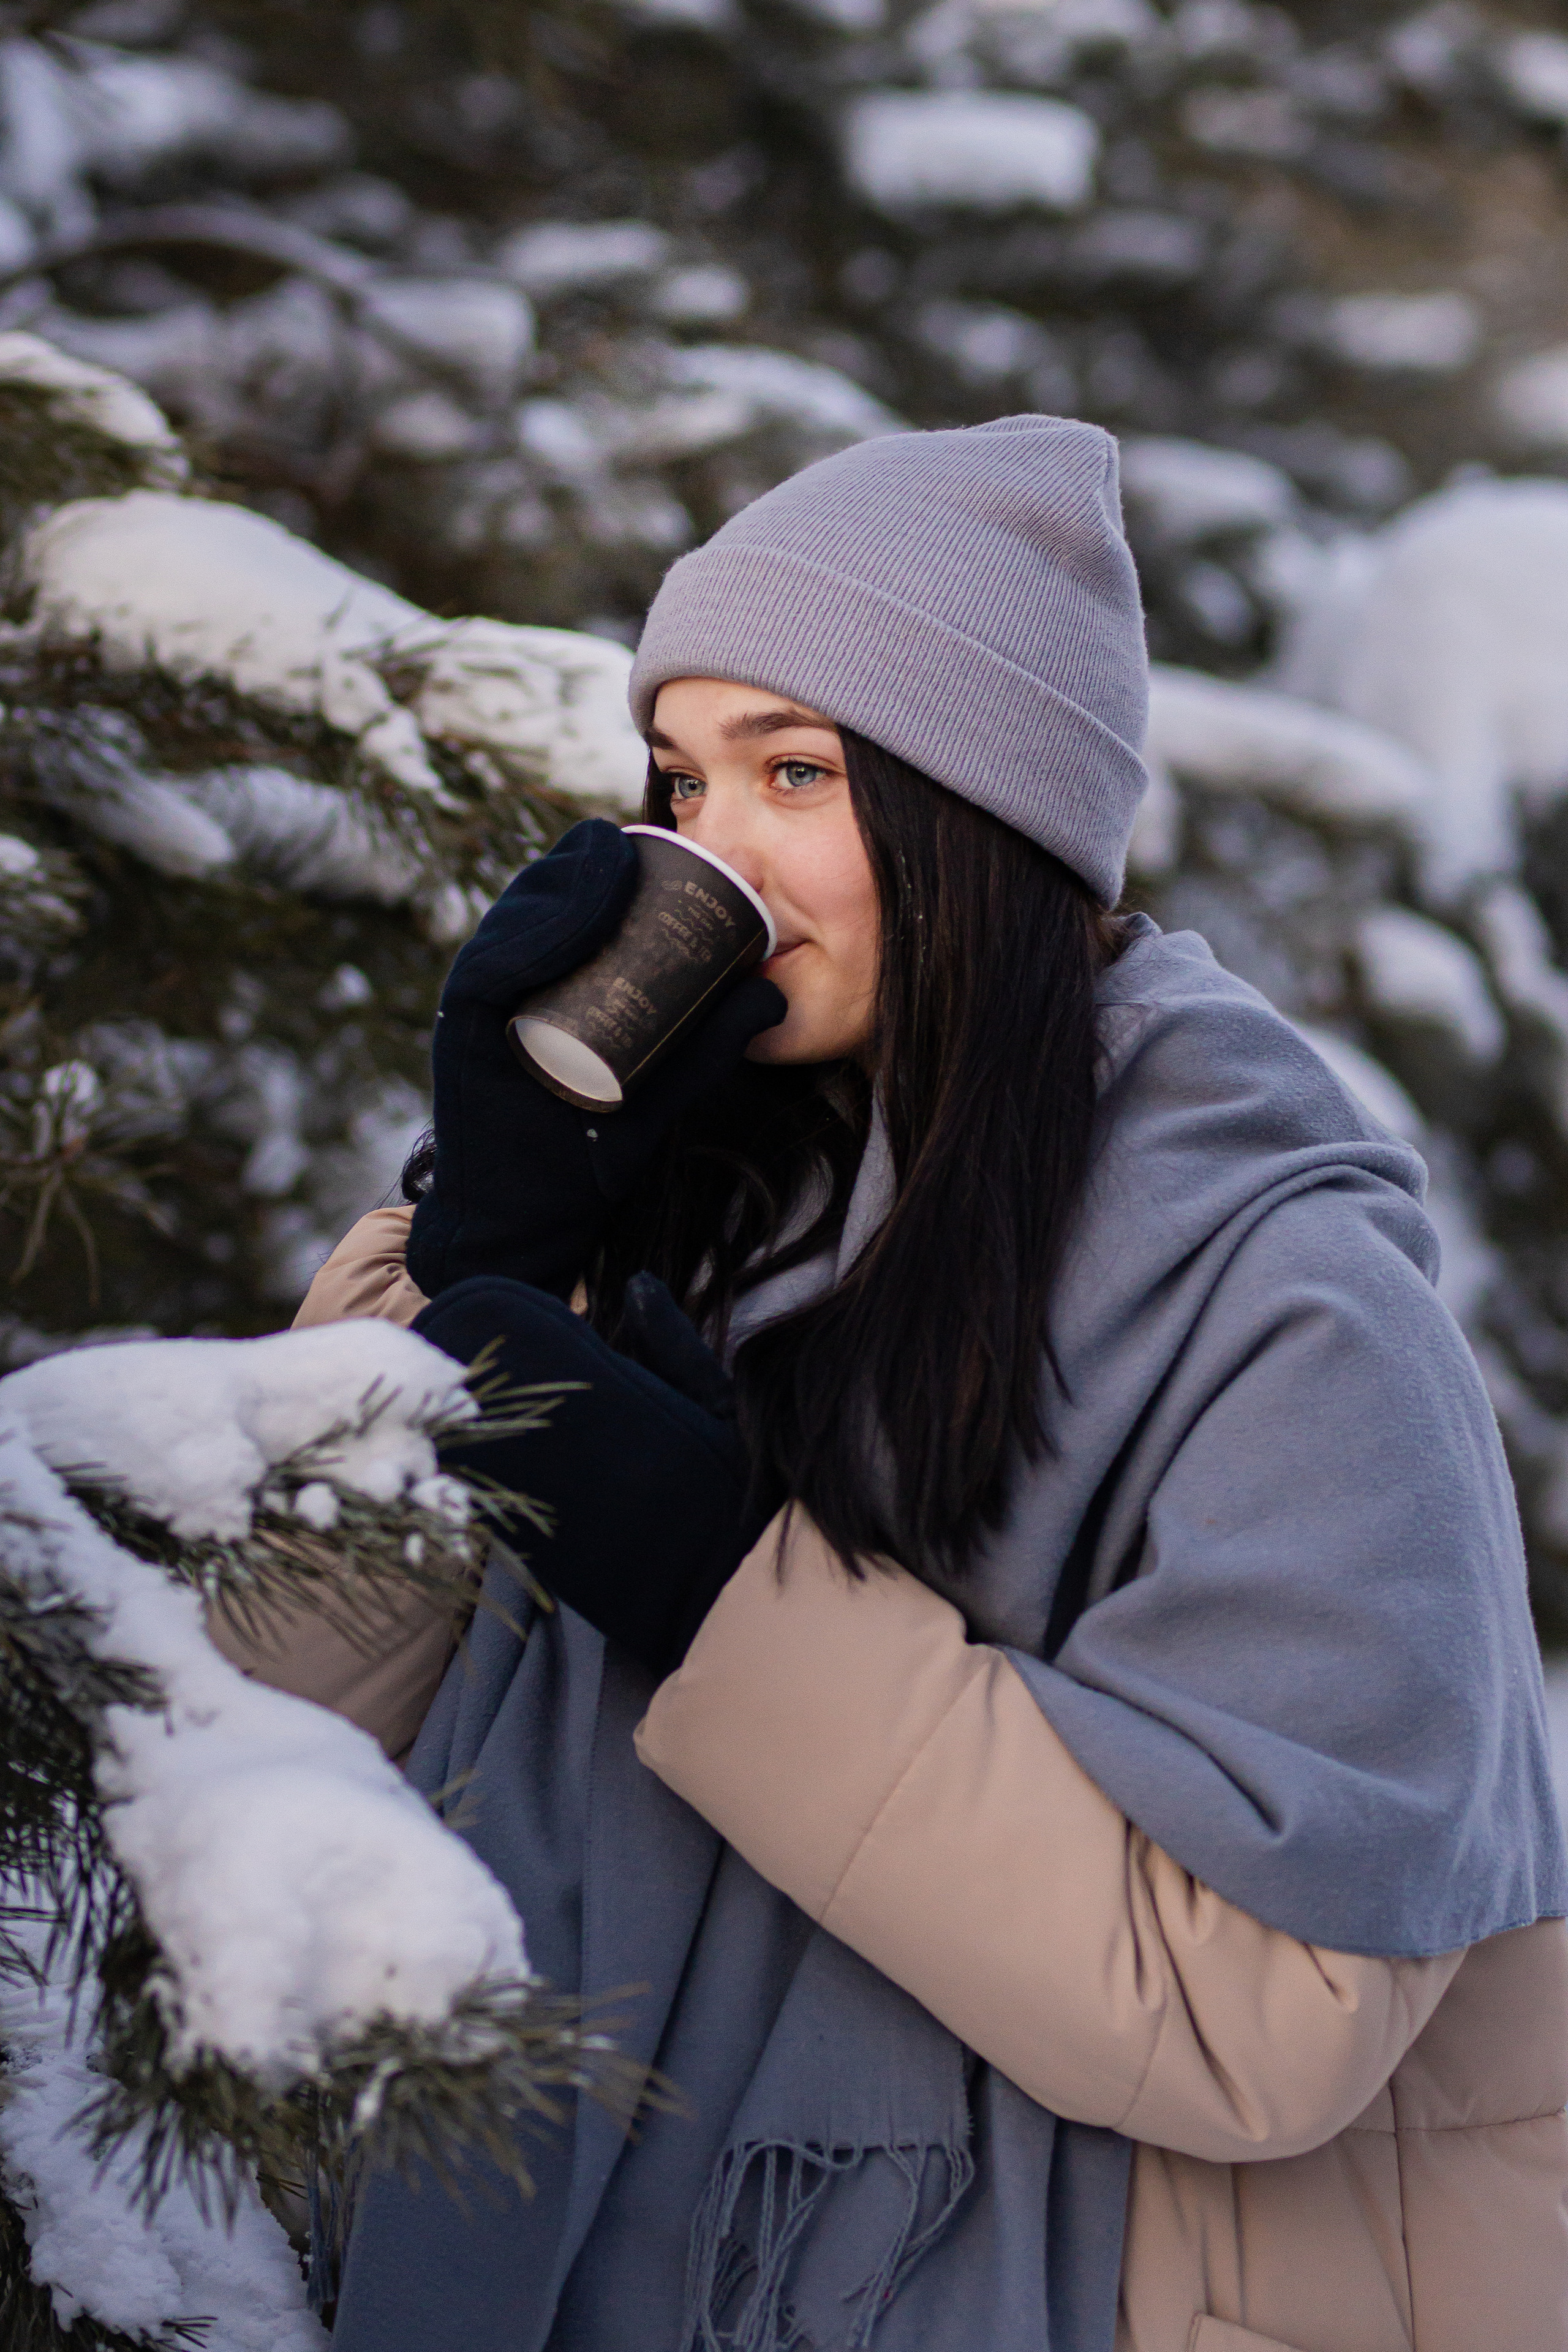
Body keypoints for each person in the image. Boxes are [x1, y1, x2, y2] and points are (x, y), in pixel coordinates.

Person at [236, 417, 1568, 2351]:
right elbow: (238, 1733)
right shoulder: (668, 1196)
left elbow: (1264, 2018)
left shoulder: (1281, 1296)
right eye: (685, 781)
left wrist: (714, 1590)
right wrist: (470, 1268)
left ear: (988, 823)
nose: (723, 859)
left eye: (800, 772)